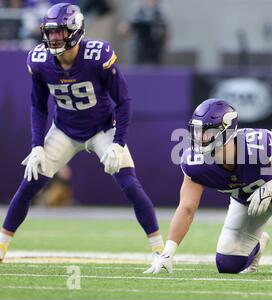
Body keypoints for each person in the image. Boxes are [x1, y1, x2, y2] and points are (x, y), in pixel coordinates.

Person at [0, 3, 164, 263]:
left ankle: (159, 250)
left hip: (102, 129)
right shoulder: (40, 61)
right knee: (29, 185)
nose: (53, 38)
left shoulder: (97, 56)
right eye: (50, 32)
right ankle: (1, 246)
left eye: (59, 32)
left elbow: (123, 102)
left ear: (75, 31)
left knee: (130, 185)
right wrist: (36, 145)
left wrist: (118, 143)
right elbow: (38, 106)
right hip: (64, 130)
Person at [145, 99, 272, 276]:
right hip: (245, 199)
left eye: (206, 132)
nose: (199, 138)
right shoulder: (195, 162)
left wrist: (270, 188)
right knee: (227, 265)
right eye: (197, 132)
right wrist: (168, 251)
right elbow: (186, 208)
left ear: (226, 130)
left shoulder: (256, 145)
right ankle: (258, 244)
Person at [118, 0, 168, 65]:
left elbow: (165, 30)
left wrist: (165, 42)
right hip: (139, 48)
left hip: (156, 49)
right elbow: (125, 28)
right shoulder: (136, 10)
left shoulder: (161, 10)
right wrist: (123, 30)